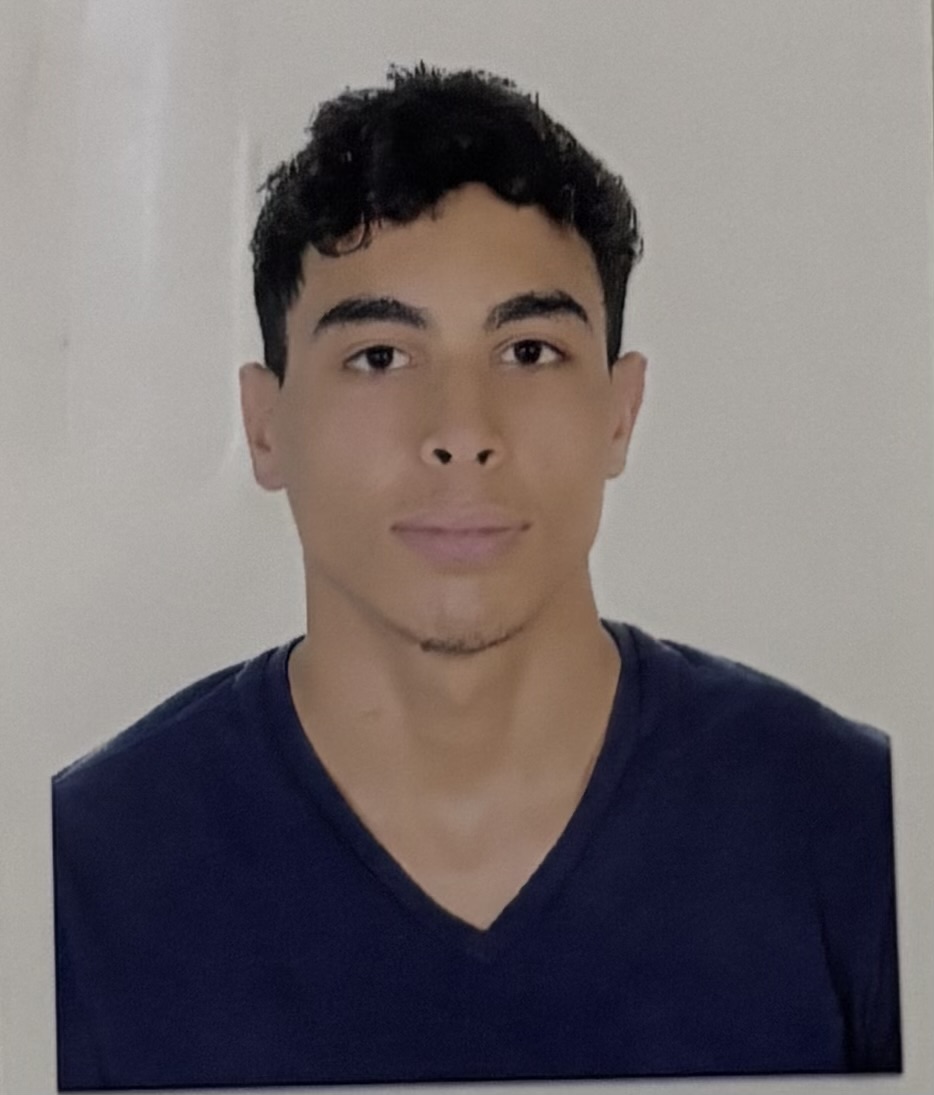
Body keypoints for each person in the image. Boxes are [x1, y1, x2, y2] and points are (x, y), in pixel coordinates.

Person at [52, 62, 901, 1090]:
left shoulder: (862, 831)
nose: (461, 431)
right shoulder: (79, 876)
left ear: (620, 413)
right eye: (379, 357)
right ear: (265, 426)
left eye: (529, 351)